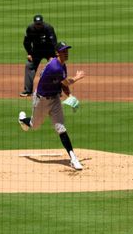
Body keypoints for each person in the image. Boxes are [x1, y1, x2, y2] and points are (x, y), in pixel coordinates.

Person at [17, 42, 86, 170]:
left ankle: (73, 158)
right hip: (41, 100)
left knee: (61, 128)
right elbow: (66, 82)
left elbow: (63, 85)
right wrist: (77, 77)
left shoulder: (62, 65)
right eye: (63, 51)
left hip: (54, 100)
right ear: (57, 53)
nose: (66, 52)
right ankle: (22, 120)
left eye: (67, 50)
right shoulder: (55, 67)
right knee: (34, 125)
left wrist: (69, 95)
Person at [21, 14, 58, 96]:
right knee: (29, 65)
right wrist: (29, 53)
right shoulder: (30, 29)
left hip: (49, 50)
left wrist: (54, 55)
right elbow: (26, 42)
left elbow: (54, 42)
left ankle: (57, 91)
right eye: (37, 24)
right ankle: (28, 91)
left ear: (42, 23)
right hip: (36, 51)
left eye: (40, 24)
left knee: (55, 67)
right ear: (34, 23)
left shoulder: (48, 28)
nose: (38, 25)